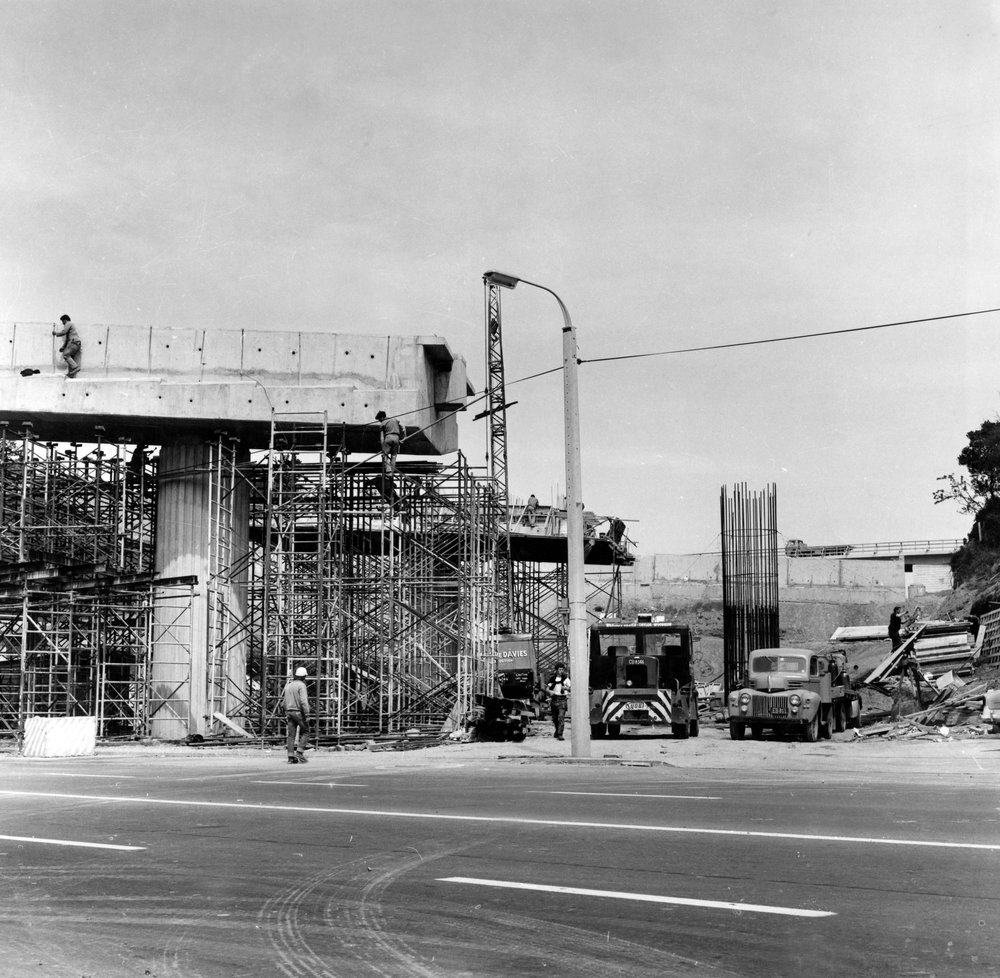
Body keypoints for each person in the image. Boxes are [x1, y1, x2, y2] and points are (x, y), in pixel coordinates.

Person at [282, 666, 311, 764]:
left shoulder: (289, 685)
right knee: (306, 731)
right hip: (298, 712)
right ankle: (299, 752)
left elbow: (284, 701)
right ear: (303, 677)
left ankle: (290, 757)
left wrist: (286, 711)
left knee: (291, 735)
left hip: (289, 712)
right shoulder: (301, 685)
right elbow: (303, 701)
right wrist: (307, 714)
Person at [547, 663, 571, 741]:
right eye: (560, 669)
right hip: (554, 699)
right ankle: (557, 730)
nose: (561, 671)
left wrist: (566, 688)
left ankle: (560, 734)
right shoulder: (552, 679)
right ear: (556, 670)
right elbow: (548, 688)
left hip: (562, 699)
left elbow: (571, 688)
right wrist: (549, 692)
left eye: (562, 669)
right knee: (554, 718)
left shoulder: (566, 679)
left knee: (561, 717)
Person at [375, 410, 403, 475]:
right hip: (396, 438)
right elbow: (403, 427)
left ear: (382, 417)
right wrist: (403, 437)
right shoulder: (395, 420)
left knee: (385, 456)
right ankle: (392, 473)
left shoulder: (383, 423)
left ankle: (388, 471)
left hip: (388, 438)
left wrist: (383, 447)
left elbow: (382, 438)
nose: (380, 421)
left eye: (379, 420)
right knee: (394, 456)